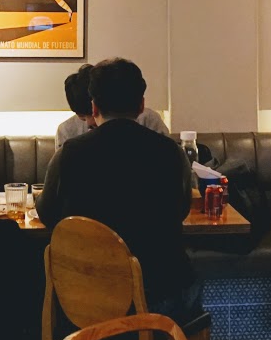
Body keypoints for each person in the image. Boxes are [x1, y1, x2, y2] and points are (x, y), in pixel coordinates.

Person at [38, 59, 199, 322]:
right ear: (141, 105)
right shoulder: (171, 152)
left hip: (86, 297)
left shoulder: (69, 154)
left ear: (94, 106)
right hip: (160, 297)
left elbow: (48, 213)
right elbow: (181, 209)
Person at [55, 63, 169, 148]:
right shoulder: (67, 131)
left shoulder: (149, 120)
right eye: (82, 117)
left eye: (91, 114)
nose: (89, 122)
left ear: (96, 107)